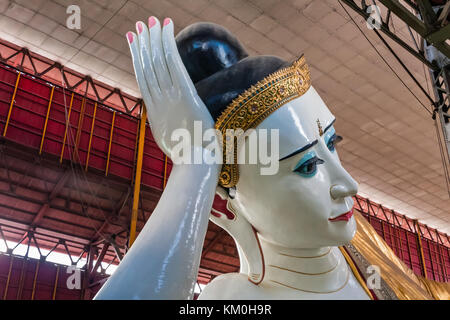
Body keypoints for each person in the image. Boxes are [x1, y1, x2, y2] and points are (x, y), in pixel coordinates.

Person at [94, 17, 448, 300]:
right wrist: (197, 162)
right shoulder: (237, 300)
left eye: (332, 142)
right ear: (223, 206)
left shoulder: (362, 254)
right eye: (307, 167)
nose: (347, 185)